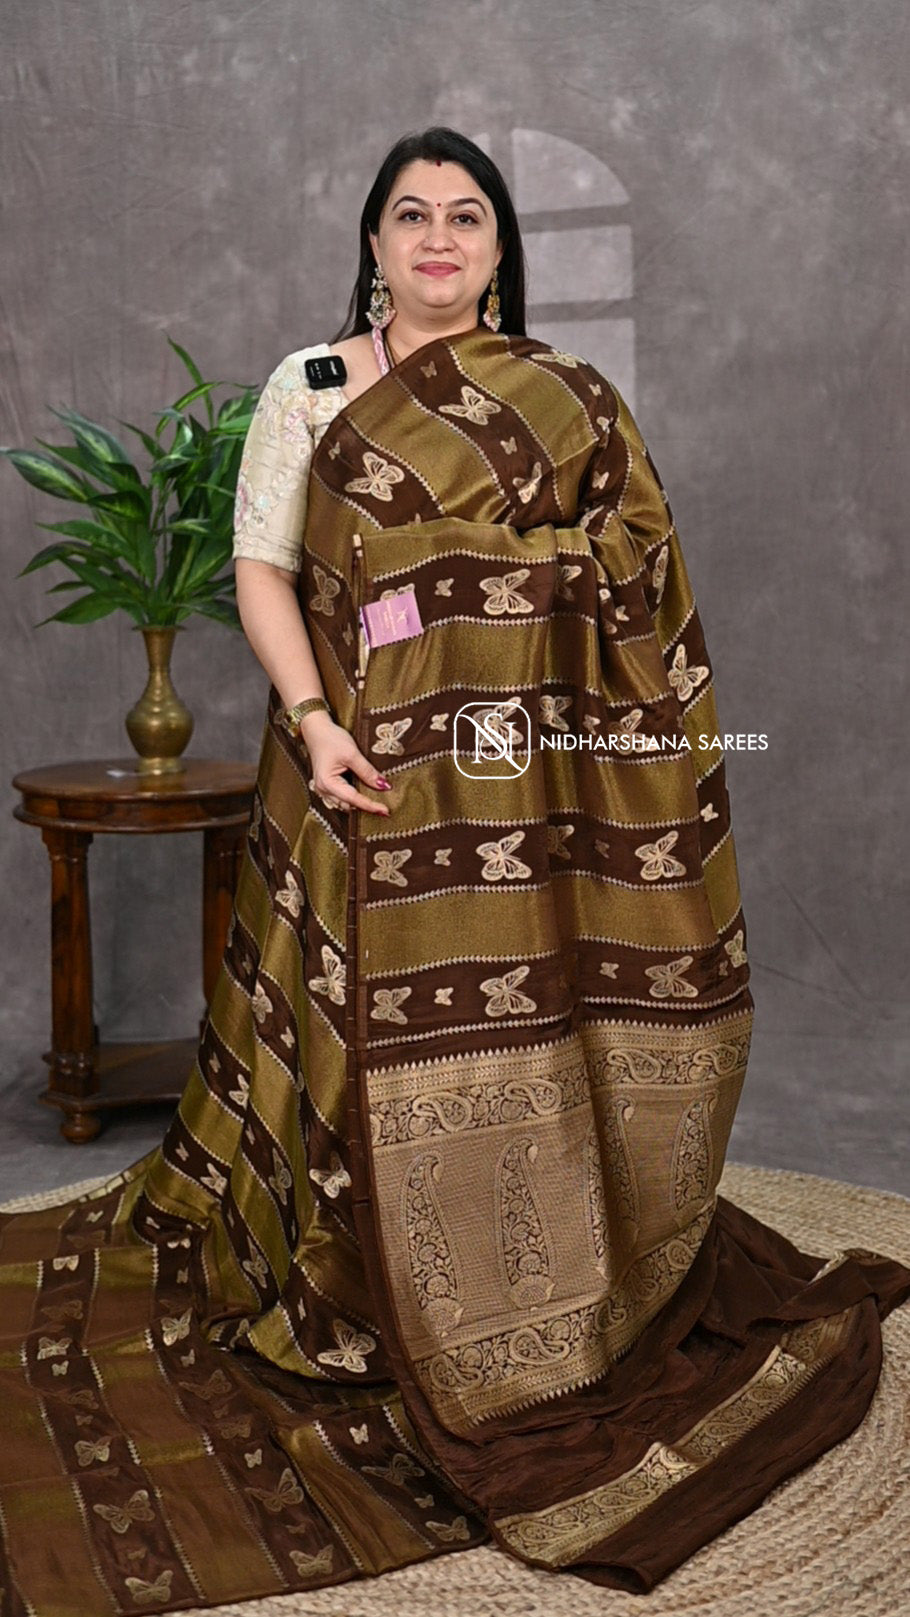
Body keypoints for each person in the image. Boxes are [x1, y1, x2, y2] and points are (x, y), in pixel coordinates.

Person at [1, 127, 908, 1614]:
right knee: (346, 1031)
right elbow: (263, 568)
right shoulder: (310, 388)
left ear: (497, 248)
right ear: (373, 243)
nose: (438, 237)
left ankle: (535, 1268)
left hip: (527, 777)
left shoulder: (566, 396)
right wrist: (314, 721)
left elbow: (636, 567)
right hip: (351, 760)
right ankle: (361, 1278)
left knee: (527, 1013)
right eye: (410, 214)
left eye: (466, 216)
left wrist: (475, 593)